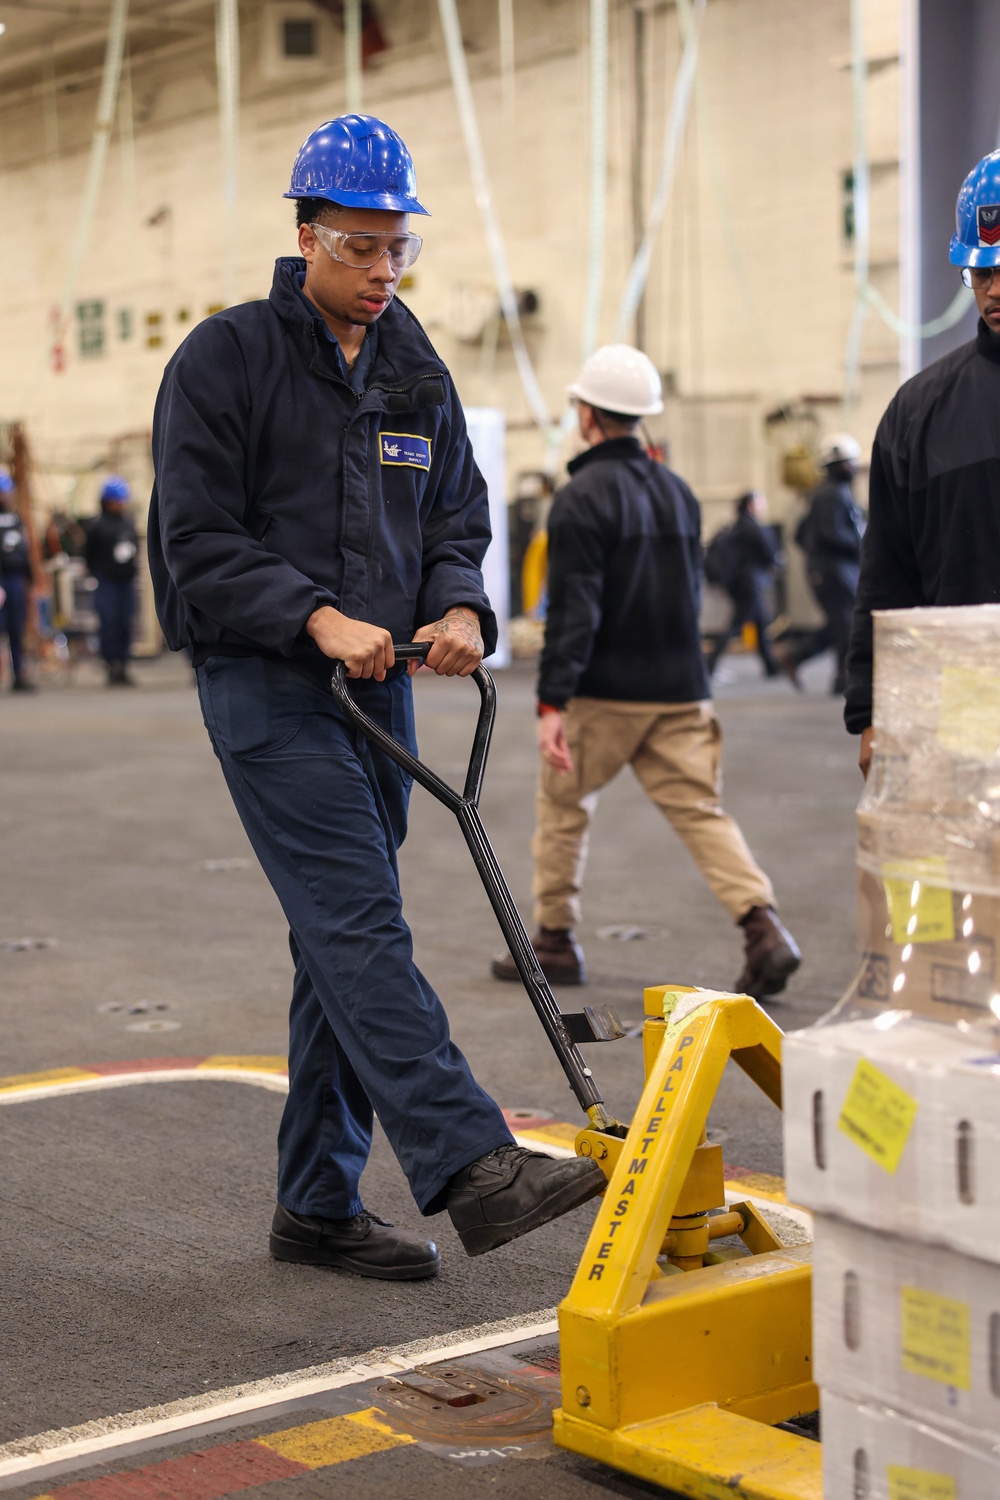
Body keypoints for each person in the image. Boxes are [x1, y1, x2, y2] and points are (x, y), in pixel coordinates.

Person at [148, 114, 604, 1282]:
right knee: (358, 921)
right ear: (305, 236)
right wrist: (310, 613)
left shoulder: (413, 365)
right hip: (267, 683)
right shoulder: (226, 358)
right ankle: (472, 1164)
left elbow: (458, 515)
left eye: (398, 250)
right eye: (359, 250)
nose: (383, 273)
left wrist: (459, 607)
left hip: (383, 688)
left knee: (332, 942)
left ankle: (314, 1201)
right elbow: (196, 538)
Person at [490, 345, 801, 999]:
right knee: (701, 813)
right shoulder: (679, 493)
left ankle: (553, 942)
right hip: (682, 691)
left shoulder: (578, 499)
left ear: (587, 415)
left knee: (564, 811)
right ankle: (763, 927)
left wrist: (552, 703)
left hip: (603, 696)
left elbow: (577, 611)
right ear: (641, 418)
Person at [846, 148, 1000, 775]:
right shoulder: (919, 412)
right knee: (959, 873)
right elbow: (888, 573)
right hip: (958, 702)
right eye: (981, 272)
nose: (994, 288)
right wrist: (872, 709)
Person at [779, 435, 865, 695]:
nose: (852, 469)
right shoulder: (830, 495)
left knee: (839, 623)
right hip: (832, 569)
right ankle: (841, 679)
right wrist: (859, 543)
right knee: (845, 624)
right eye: (848, 463)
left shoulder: (835, 493)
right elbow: (830, 533)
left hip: (834, 567)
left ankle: (798, 657)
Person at [705, 490, 782, 679]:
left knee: (760, 622)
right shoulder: (752, 527)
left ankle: (770, 666)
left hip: (740, 583)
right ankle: (708, 665)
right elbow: (769, 552)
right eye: (762, 503)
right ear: (751, 505)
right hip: (750, 583)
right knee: (737, 625)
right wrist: (777, 562)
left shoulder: (735, 527)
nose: (764, 507)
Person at [85, 476, 139, 686]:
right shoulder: (97, 526)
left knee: (125, 623)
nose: (122, 504)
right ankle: (111, 664)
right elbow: (88, 555)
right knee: (108, 623)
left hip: (126, 582)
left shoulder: (127, 523)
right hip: (106, 582)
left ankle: (124, 665)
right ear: (108, 501)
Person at [0, 472, 37, 693]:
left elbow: (24, 551)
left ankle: (19, 672)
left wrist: (29, 580)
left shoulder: (16, 519)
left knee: (16, 628)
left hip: (15, 580)